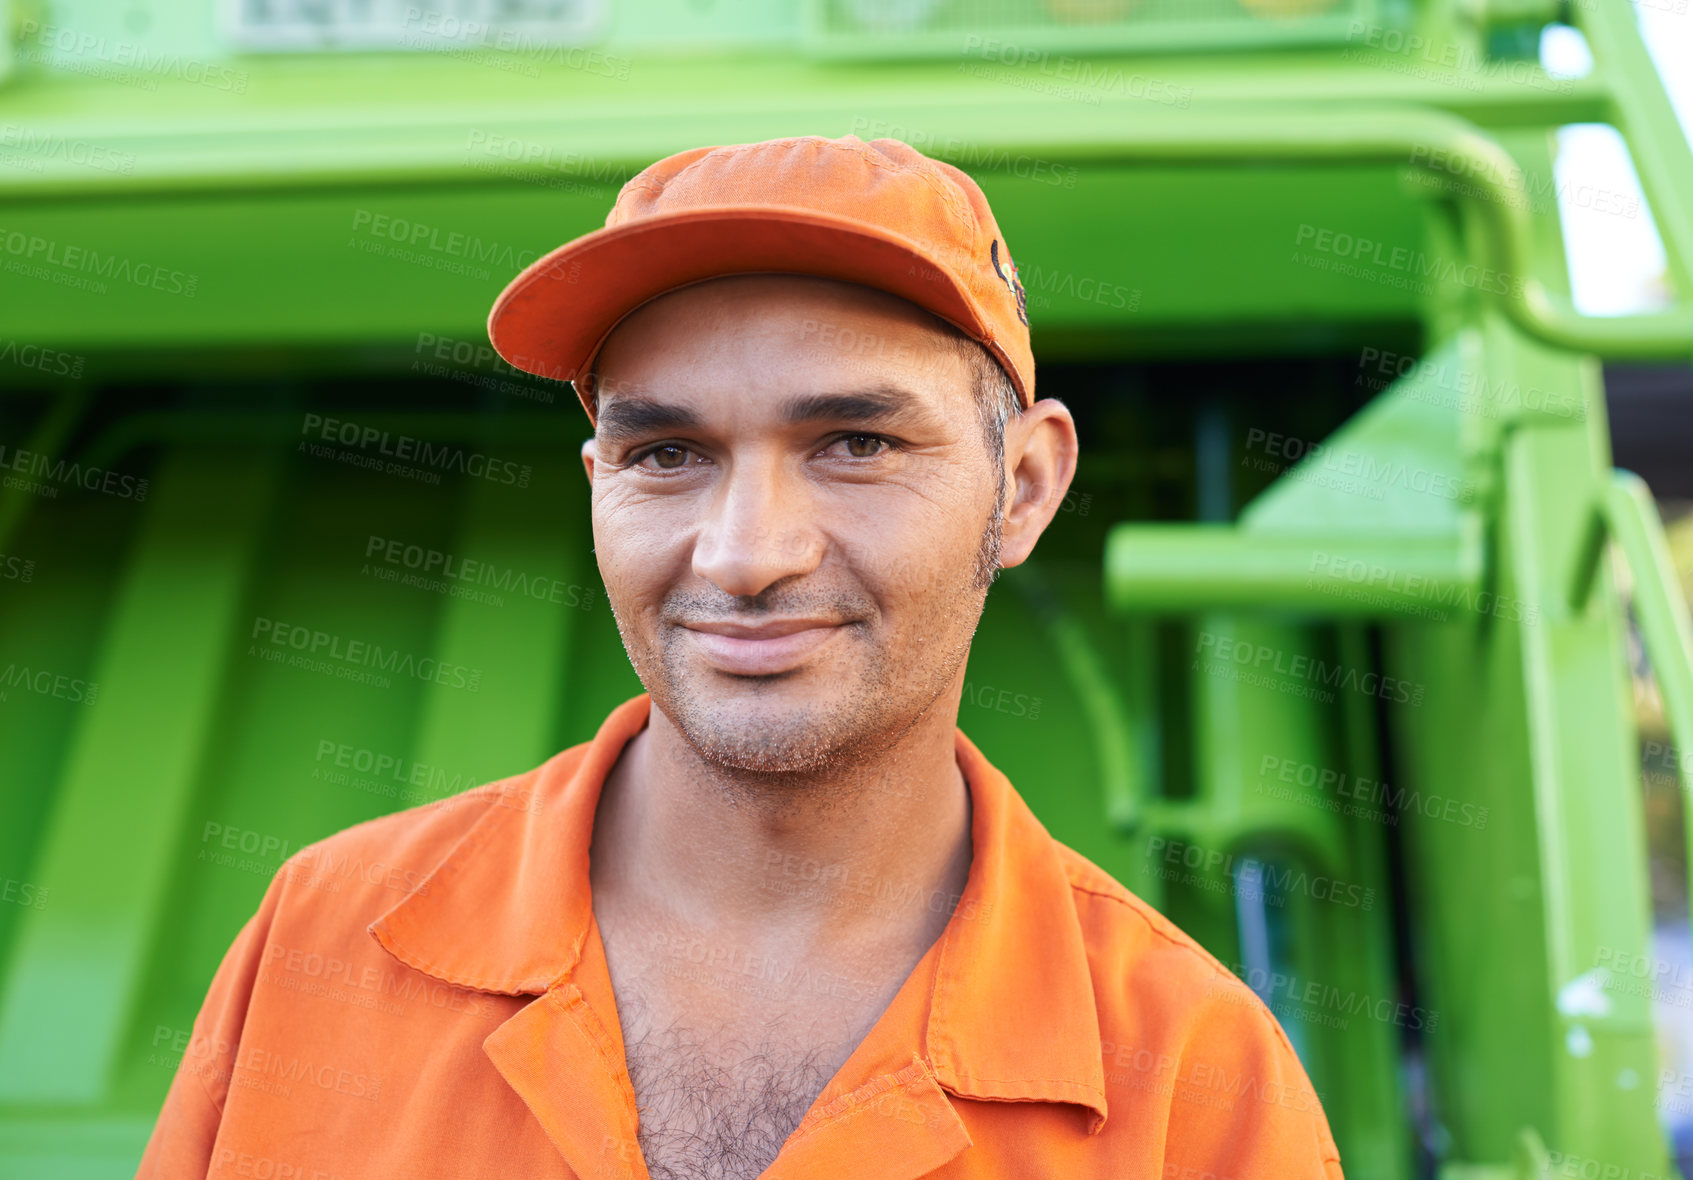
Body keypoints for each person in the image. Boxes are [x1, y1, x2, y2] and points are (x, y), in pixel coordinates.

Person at [138, 133, 1344, 1179]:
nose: (744, 553)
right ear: (599, 484)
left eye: (856, 442)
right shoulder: (329, 939)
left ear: (1022, 487)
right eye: (667, 455)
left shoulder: (1194, 1077)